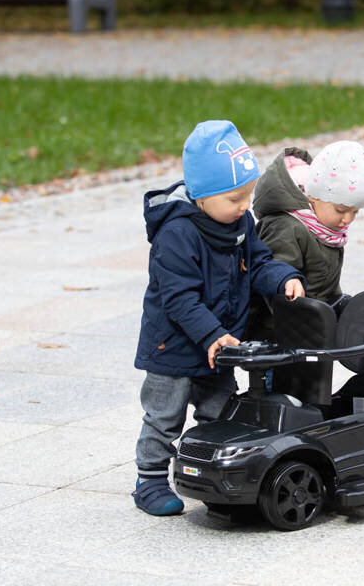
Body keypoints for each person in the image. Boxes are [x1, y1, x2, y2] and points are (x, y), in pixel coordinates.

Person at [132, 120, 306, 516]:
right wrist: (211, 333)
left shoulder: (240, 222)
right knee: (164, 416)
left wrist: (283, 279)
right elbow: (178, 299)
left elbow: (259, 261)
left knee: (222, 411)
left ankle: (214, 476)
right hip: (173, 347)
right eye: (234, 198)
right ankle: (151, 479)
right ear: (201, 196)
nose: (245, 206)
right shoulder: (176, 234)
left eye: (248, 195)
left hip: (220, 346)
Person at [247, 140, 364, 337]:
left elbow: (325, 281)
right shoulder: (286, 227)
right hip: (279, 332)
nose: (347, 219)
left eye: (355, 212)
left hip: (314, 327)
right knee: (289, 369)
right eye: (341, 210)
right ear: (313, 197)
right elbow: (273, 280)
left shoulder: (326, 230)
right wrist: (299, 316)